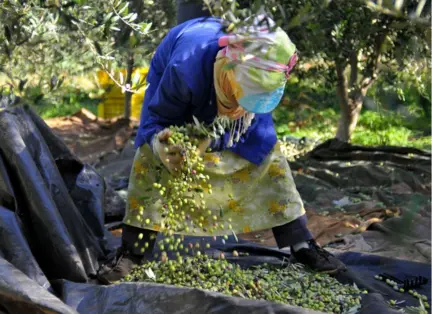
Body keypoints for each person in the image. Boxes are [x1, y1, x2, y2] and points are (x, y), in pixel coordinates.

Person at [97, 16, 346, 284]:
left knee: (267, 157)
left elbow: (253, 129)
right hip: (186, 82)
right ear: (229, 68)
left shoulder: (263, 76)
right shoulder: (184, 68)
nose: (240, 105)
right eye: (241, 95)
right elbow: (156, 121)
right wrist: (163, 144)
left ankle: (302, 244)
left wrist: (217, 136)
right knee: (150, 162)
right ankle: (134, 250)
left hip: (245, 82)